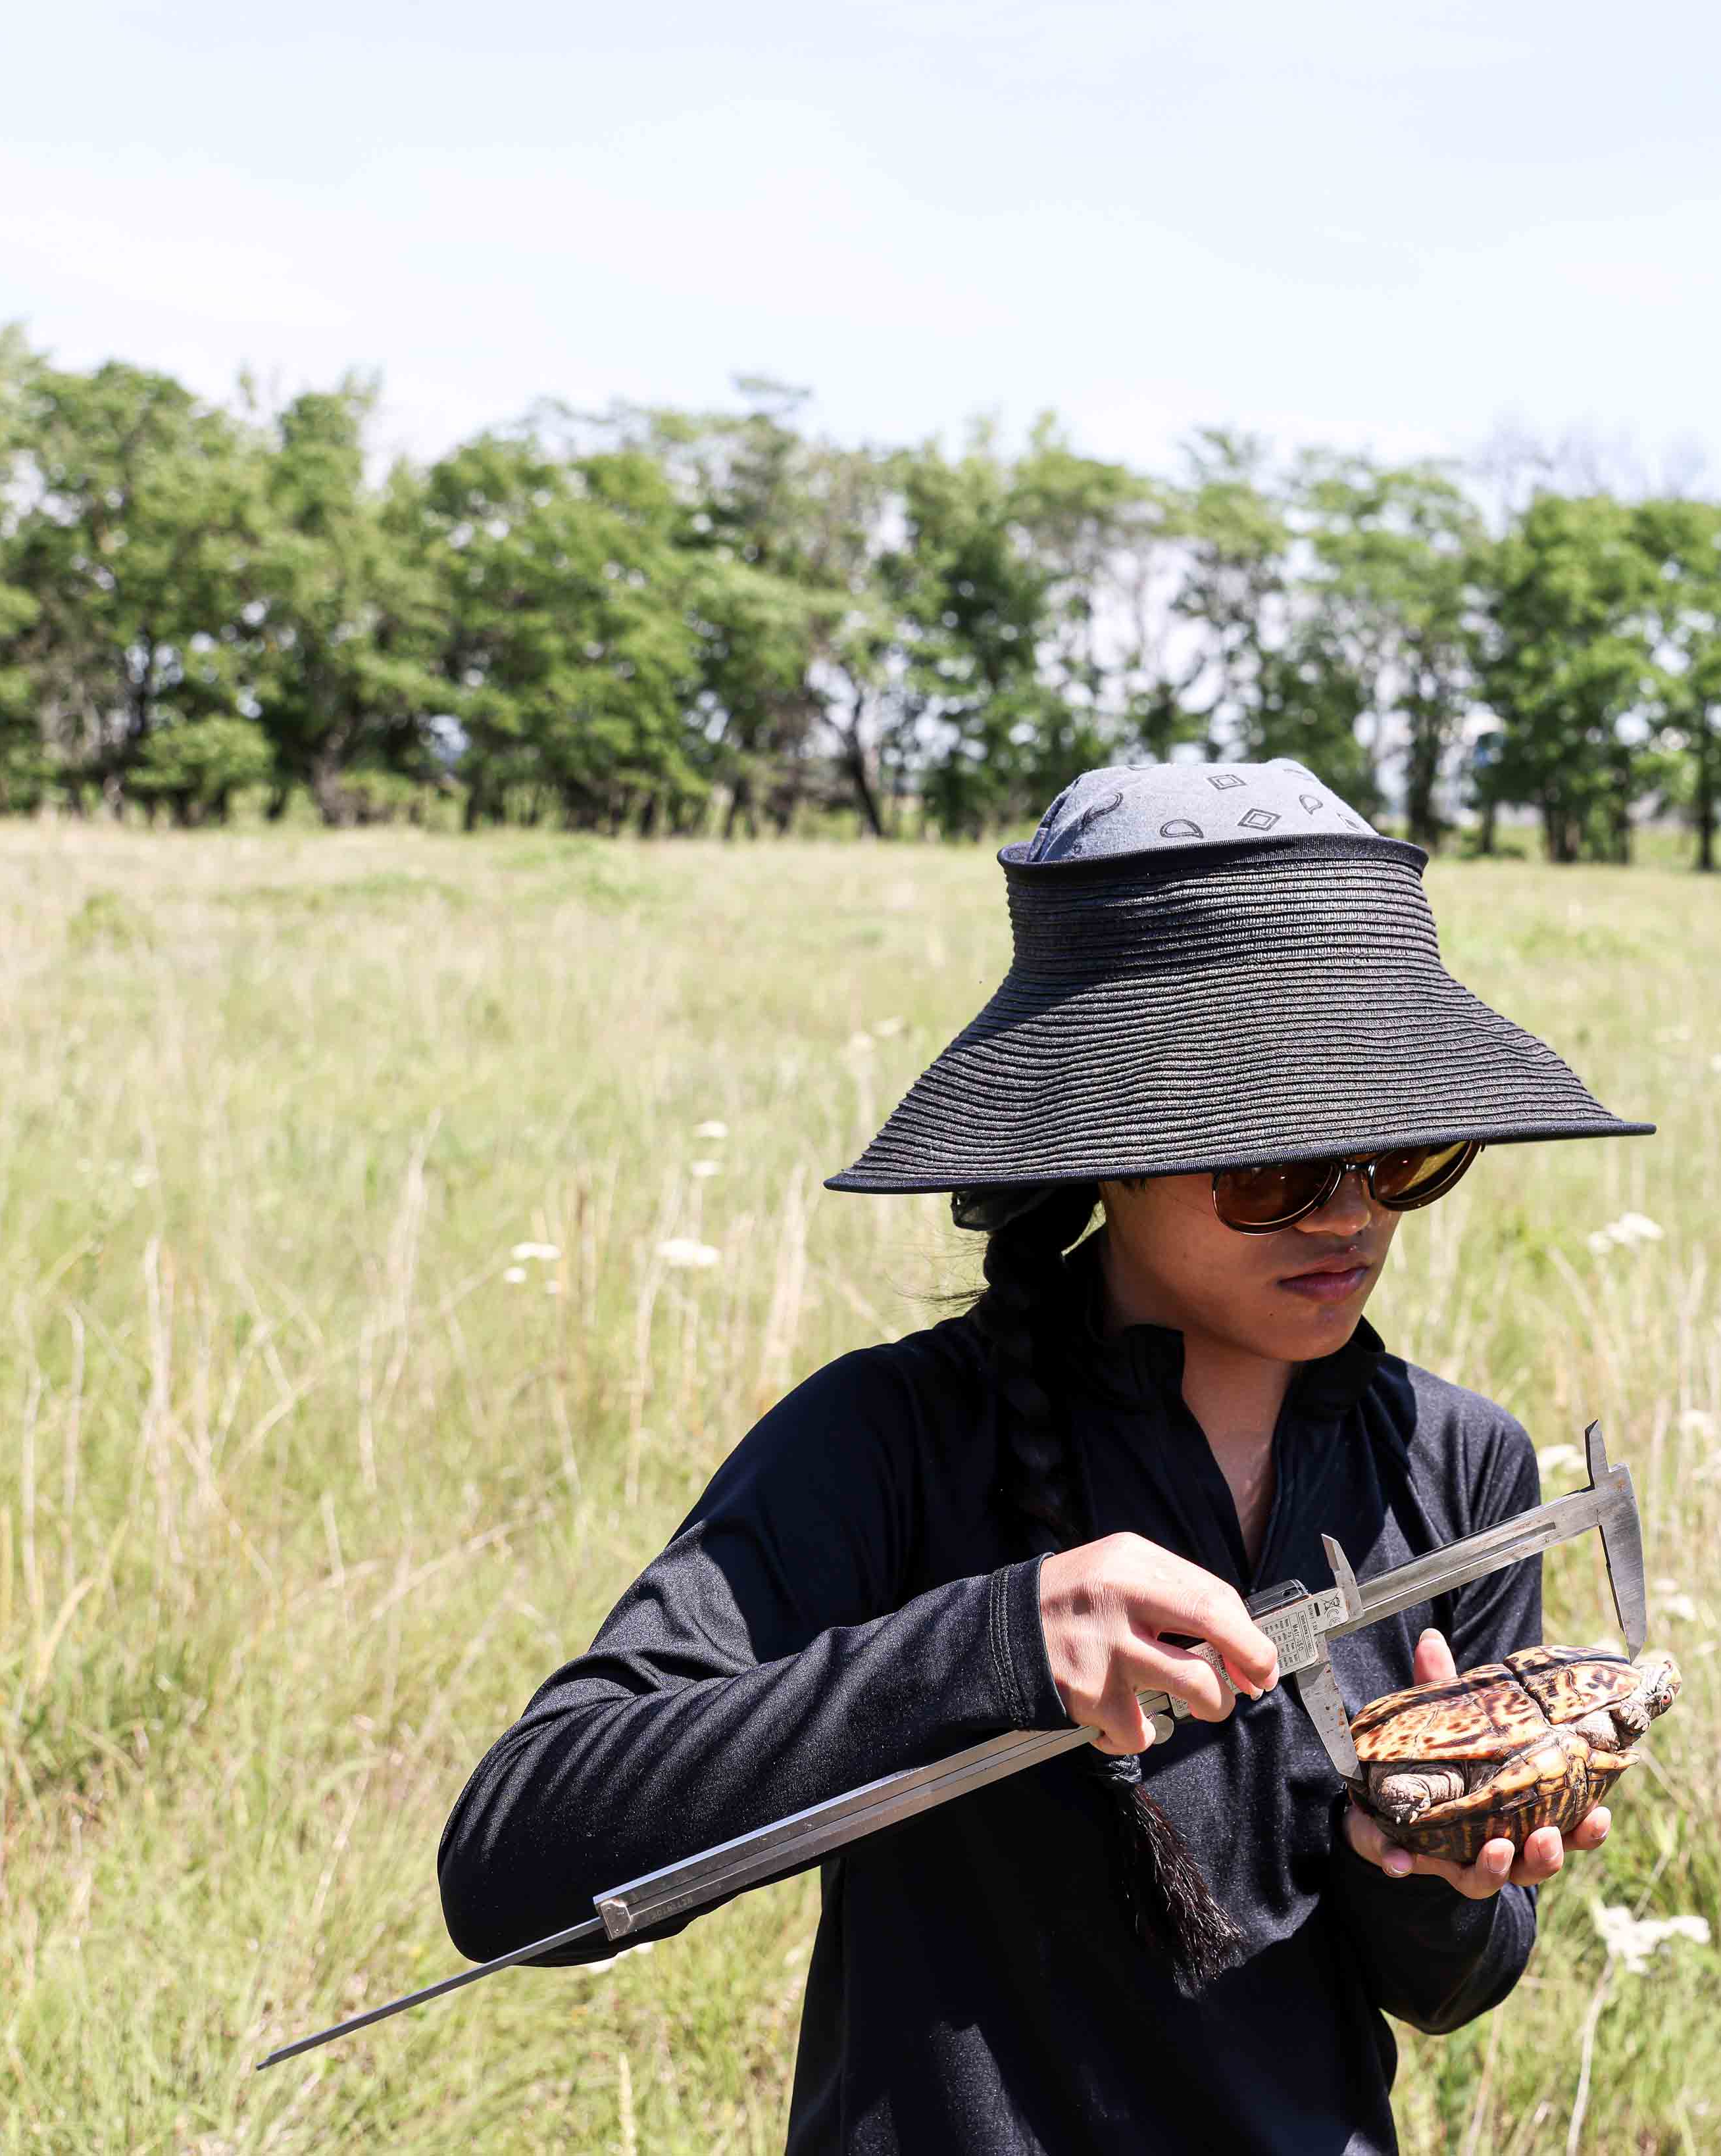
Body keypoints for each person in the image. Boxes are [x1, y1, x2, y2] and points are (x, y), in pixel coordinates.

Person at [434, 760, 1655, 2153]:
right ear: (1107, 1152)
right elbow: (512, 1862)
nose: (1351, 1217)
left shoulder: (1457, 1460)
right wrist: (987, 1646)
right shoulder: (891, 1437)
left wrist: (1435, 1872)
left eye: (1406, 1156)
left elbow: (1453, 1986)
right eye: (1275, 1171)